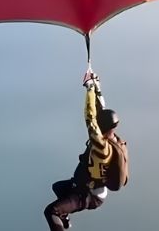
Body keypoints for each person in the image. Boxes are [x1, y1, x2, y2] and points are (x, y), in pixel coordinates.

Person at [44, 69, 128, 230]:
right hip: (86, 185)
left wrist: (88, 88)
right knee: (58, 187)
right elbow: (100, 110)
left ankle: (61, 219)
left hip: (89, 194)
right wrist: (97, 87)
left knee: (51, 211)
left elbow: (90, 117)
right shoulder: (112, 137)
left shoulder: (102, 146)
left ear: (101, 127)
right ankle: (65, 219)